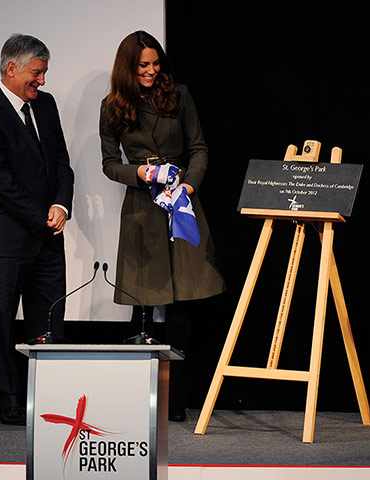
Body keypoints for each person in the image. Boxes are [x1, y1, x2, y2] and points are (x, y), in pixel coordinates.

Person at [99, 31, 226, 422]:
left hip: (180, 204)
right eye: (143, 66)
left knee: (182, 302)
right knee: (144, 301)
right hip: (141, 209)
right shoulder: (112, 106)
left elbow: (199, 148)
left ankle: (177, 399)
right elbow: (109, 163)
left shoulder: (179, 95)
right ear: (128, 68)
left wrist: (187, 185)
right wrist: (140, 171)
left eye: (155, 64)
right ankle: (142, 399)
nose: (152, 71)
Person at [0, 34, 74, 425]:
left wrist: (61, 206)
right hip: (4, 239)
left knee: (49, 319)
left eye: (44, 73)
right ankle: (6, 399)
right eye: (37, 72)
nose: (42, 81)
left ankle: (49, 396)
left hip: (48, 237)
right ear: (11, 69)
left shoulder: (44, 106)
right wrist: (42, 215)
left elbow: (62, 160)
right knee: (0, 321)